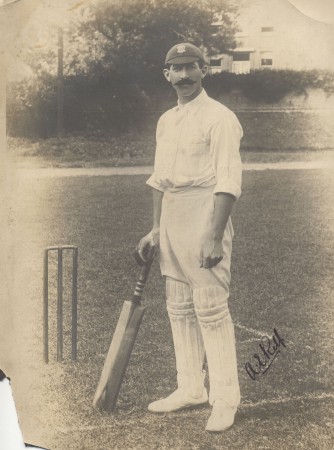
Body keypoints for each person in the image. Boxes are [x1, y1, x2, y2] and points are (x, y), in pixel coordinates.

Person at [138, 43, 243, 433]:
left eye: (190, 68)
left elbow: (229, 181)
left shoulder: (221, 117)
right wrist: (154, 228)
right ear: (167, 75)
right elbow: (159, 178)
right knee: (179, 307)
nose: (183, 76)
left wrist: (214, 237)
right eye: (175, 69)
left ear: (204, 70)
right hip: (172, 216)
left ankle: (226, 398)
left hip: (205, 213)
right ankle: (190, 387)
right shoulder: (166, 120)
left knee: (211, 310)